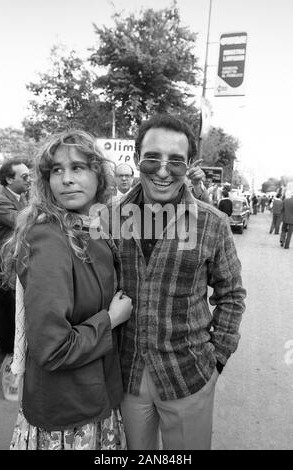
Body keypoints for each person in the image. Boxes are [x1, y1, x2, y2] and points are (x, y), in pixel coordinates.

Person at [108, 114, 246, 450]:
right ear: (138, 158)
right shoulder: (109, 217)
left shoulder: (213, 223)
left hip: (189, 374)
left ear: (188, 165)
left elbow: (231, 295)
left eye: (176, 161)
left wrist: (217, 359)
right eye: (152, 157)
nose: (163, 170)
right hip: (126, 376)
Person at [0, 129, 132, 450]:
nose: (66, 179)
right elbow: (53, 347)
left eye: (78, 168)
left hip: (96, 398)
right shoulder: (48, 238)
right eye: (56, 170)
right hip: (68, 414)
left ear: (98, 175)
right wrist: (111, 320)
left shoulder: (93, 227)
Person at [0, 159, 31, 376]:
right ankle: (7, 368)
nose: (30, 180)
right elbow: (24, 222)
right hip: (3, 272)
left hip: (17, 268)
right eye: (24, 177)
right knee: (6, 322)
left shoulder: (21, 197)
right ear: (9, 179)